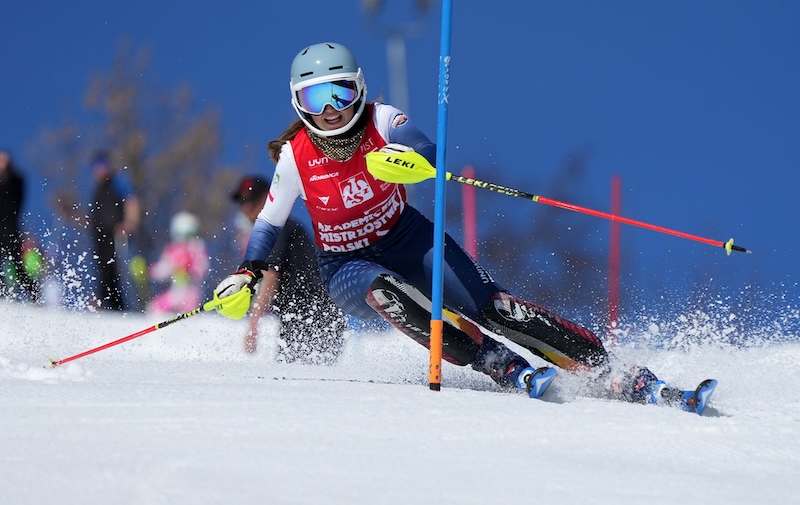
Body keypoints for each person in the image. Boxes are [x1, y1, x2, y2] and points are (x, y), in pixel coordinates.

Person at [212, 42, 700, 408]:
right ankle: (494, 361)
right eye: (315, 97)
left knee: (494, 307)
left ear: (359, 88)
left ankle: (611, 371)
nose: (331, 109)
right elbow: (269, 222)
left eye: (340, 91)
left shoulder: (383, 120)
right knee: (388, 291)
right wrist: (247, 271)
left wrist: (410, 160)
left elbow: (428, 152)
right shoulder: (297, 156)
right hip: (345, 266)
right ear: (298, 103)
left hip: (406, 236)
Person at [230, 175, 347, 364]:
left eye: (251, 201)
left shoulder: (275, 227)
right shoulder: (277, 227)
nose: (246, 208)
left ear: (268, 199)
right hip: (311, 315)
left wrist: (253, 325)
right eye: (242, 202)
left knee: (296, 378)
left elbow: (270, 276)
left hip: (313, 316)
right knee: (299, 379)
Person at [88, 151, 140, 311]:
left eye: (104, 165)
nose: (101, 169)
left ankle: (121, 306)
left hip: (117, 234)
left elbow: (131, 202)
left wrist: (129, 223)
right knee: (102, 268)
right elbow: (91, 219)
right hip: (99, 235)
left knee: (116, 270)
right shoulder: (97, 190)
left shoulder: (118, 183)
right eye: (98, 166)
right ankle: (104, 302)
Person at [148, 211, 208, 314]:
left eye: (189, 235)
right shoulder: (172, 249)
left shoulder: (196, 248)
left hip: (191, 293)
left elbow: (202, 268)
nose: (185, 239)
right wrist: (150, 271)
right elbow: (164, 268)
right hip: (175, 292)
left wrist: (190, 271)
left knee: (188, 315)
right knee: (154, 308)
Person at [0, 149, 40, 301]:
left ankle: (33, 294)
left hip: (10, 226)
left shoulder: (16, 180)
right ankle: (2, 291)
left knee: (16, 261)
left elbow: (18, 200)